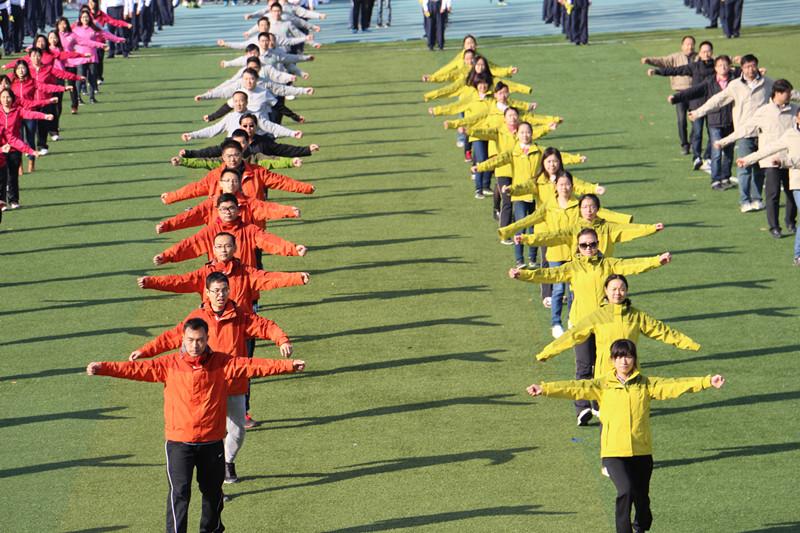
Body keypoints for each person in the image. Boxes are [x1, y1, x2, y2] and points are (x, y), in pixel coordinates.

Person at [86, 317, 305, 532]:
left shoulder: (222, 363)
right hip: (179, 443)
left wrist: (288, 366)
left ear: (207, 339)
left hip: (211, 442)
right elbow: (134, 369)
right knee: (179, 494)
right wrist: (103, 368)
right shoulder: (169, 365)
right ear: (183, 339)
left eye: (200, 340)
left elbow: (252, 365)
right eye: (190, 340)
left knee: (212, 494)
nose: (195, 345)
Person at [526, 339, 724, 533]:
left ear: (635, 359)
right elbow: (574, 387)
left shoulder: (646, 384)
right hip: (613, 452)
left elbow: (675, 385)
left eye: (628, 356)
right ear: (612, 360)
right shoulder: (603, 384)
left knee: (641, 499)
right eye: (619, 357)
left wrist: (706, 381)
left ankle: (641, 525)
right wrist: (544, 389)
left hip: (641, 451)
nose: (624, 361)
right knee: (625, 490)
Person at [129, 271, 296, 483]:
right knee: (212, 437)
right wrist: (145, 351)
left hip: (234, 383)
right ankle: (217, 483)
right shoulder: (196, 318)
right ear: (206, 293)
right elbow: (172, 337)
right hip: (207, 387)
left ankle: (228, 462)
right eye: (216, 291)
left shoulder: (240, 316)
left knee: (237, 431)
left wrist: (282, 340)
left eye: (224, 290)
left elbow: (265, 326)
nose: (220, 295)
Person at [533, 274, 700, 426]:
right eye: (613, 289)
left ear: (627, 291)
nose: (617, 293)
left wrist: (689, 344)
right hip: (606, 377)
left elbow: (662, 331)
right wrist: (547, 352)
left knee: (634, 418)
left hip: (631, 376)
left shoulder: (636, 316)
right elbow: (572, 335)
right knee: (608, 420)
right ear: (605, 291)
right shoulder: (597, 316)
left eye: (621, 289)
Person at [508, 228, 671, 338]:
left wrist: (657, 261)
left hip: (605, 321)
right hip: (582, 323)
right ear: (578, 247)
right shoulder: (572, 267)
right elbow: (547, 274)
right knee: (584, 369)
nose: (588, 248)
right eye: (584, 245)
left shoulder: (608, 264)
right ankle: (556, 323)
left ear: (598, 244)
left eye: (592, 244)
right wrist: (523, 274)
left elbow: (632, 265)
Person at [690, 54, 798, 213]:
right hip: (745, 133)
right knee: (744, 167)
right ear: (741, 68)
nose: (750, 70)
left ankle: (757, 198)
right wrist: (699, 112)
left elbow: (788, 94)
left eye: (753, 66)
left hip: (764, 134)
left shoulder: (768, 83)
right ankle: (745, 200)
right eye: (747, 67)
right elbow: (718, 100)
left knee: (760, 168)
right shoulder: (735, 85)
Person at [719, 79, 798, 236]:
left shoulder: (795, 110)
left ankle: (790, 222)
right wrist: (724, 141)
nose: (791, 95)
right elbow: (745, 129)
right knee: (773, 194)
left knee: (792, 193)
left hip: (791, 160)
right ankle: (774, 227)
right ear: (778, 93)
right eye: (788, 93)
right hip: (771, 160)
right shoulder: (764, 112)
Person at [153, 193, 307, 268]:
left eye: (231, 208)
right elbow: (189, 245)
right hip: (217, 281)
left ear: (238, 210)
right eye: (223, 209)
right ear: (217, 211)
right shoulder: (210, 231)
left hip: (243, 280)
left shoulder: (250, 230)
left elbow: (271, 241)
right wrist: (166, 256)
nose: (227, 212)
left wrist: (293, 249)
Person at [737, 107, 800, 264]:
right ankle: (798, 254)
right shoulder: (791, 135)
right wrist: (748, 160)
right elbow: (768, 149)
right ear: (797, 119)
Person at [668, 55, 736, 190]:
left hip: (731, 121)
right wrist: (676, 97)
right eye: (720, 65)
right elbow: (694, 90)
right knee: (716, 152)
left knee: (729, 152)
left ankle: (725, 177)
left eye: (725, 65)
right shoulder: (710, 82)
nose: (723, 67)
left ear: (730, 67)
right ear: (715, 68)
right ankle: (716, 180)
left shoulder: (735, 82)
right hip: (715, 121)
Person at [649, 40, 715, 170]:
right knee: (697, 132)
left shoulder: (717, 67)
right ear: (699, 53)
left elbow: (732, 69)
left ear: (712, 52)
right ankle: (696, 157)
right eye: (704, 52)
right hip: (696, 104)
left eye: (708, 51)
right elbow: (676, 70)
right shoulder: (694, 67)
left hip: (713, 105)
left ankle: (708, 156)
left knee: (713, 133)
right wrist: (657, 72)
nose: (706, 54)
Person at [641, 36, 697, 155]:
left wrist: (733, 59)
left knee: (695, 120)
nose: (690, 47)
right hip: (680, 94)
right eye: (687, 44)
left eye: (692, 44)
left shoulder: (699, 57)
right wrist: (649, 60)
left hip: (695, 93)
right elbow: (662, 61)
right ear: (682, 46)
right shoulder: (675, 57)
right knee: (681, 120)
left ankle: (693, 143)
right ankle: (684, 145)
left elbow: (716, 59)